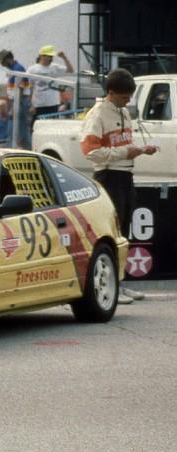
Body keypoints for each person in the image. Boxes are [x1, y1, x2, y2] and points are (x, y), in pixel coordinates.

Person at [80, 68, 158, 304]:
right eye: (124, 96)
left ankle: (121, 284)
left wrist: (140, 150)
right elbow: (90, 151)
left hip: (125, 176)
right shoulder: (97, 115)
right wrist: (126, 152)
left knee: (124, 231)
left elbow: (124, 144)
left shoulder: (124, 112)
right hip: (108, 176)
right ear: (111, 93)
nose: (128, 101)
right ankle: (109, 285)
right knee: (111, 232)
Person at [27, 44, 74, 129]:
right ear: (41, 56)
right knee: (36, 127)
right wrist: (31, 105)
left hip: (53, 103)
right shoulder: (32, 69)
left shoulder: (55, 67)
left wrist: (64, 57)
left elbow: (70, 70)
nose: (50, 58)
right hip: (39, 104)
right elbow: (29, 88)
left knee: (51, 127)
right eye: (48, 56)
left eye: (51, 56)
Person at [0, 48, 32, 149]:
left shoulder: (18, 69)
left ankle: (12, 150)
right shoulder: (13, 69)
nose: (1, 64)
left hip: (19, 102)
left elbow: (20, 89)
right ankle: (23, 148)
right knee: (20, 130)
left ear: (8, 59)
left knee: (16, 129)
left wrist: (14, 107)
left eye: (2, 62)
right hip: (17, 101)